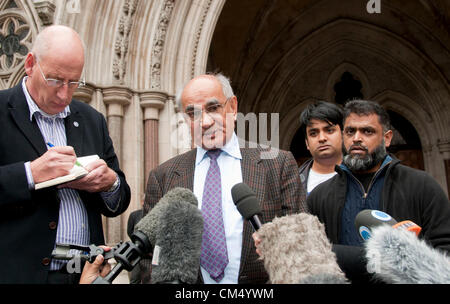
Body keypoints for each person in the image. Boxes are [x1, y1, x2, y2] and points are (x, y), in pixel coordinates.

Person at [140, 73, 307, 284]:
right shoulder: (163, 176)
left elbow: (302, 245)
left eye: (213, 108)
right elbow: (148, 258)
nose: (206, 122)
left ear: (233, 107)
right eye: (193, 113)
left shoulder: (278, 164)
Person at [0, 25, 131, 284]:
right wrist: (30, 174)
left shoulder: (92, 120)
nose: (64, 93)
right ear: (29, 64)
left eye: (74, 82)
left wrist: (109, 184)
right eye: (56, 80)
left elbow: (121, 199)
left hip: (85, 275)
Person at [307, 99, 450, 281]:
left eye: (367, 131)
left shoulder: (422, 186)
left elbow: (445, 251)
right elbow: (310, 256)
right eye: (350, 131)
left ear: (387, 138)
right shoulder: (320, 196)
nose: (357, 138)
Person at [298, 101, 343, 195]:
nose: (322, 138)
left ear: (343, 135)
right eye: (313, 133)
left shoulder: (361, 174)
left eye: (329, 130)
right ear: (307, 143)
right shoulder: (293, 182)